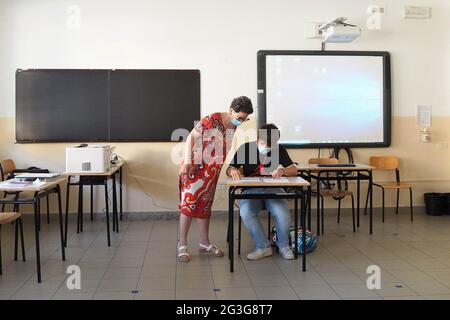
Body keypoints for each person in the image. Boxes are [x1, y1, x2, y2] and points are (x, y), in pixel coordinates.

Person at [178, 96, 254, 262]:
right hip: (194, 168)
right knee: (188, 205)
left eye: (244, 119)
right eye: (239, 117)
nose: (241, 121)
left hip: (211, 171)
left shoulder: (232, 127)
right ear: (231, 110)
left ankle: (204, 243)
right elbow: (191, 137)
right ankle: (182, 245)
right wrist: (188, 160)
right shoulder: (212, 119)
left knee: (205, 206)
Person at [226, 123, 298, 260]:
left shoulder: (279, 149)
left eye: (270, 145)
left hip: (274, 189)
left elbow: (294, 170)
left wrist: (283, 170)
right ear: (258, 138)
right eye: (263, 143)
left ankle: (283, 245)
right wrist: (233, 170)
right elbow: (228, 169)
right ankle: (263, 246)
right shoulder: (246, 148)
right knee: (246, 212)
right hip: (251, 190)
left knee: (283, 213)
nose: (266, 148)